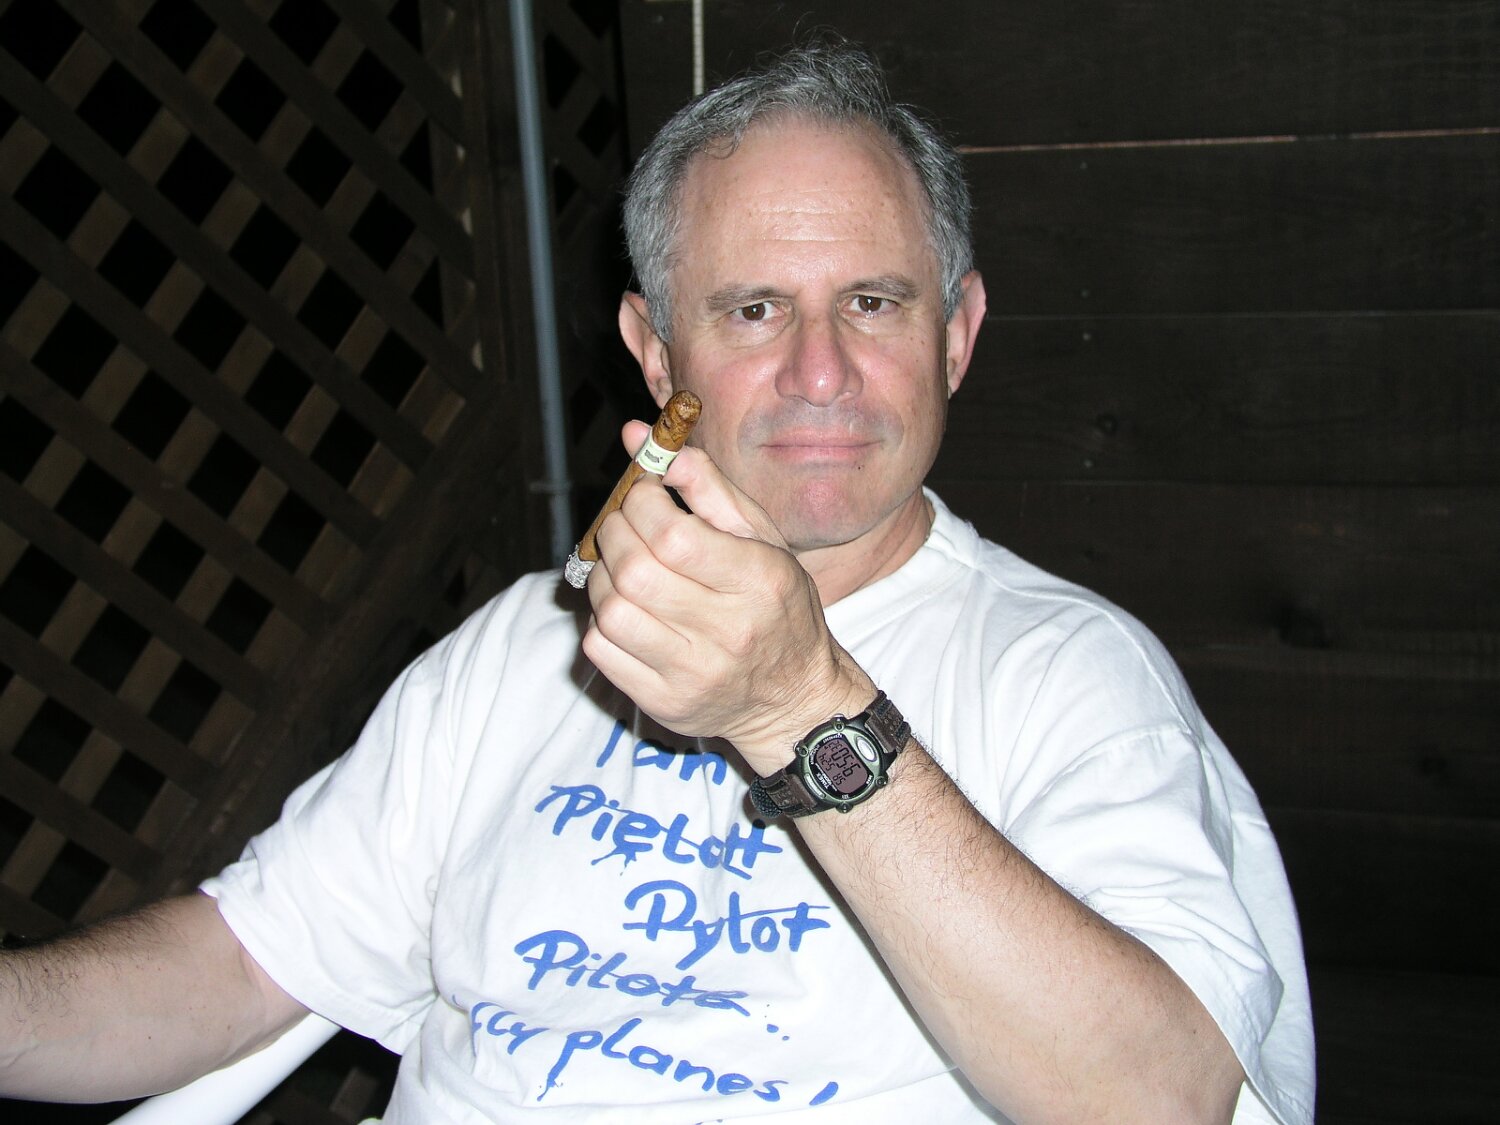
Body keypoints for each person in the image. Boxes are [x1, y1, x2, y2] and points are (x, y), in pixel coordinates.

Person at [1, 41, 1313, 1124]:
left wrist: (797, 701)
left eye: (872, 302)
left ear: (956, 334)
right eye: (753, 309)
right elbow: (246, 963)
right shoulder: (522, 646)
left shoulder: (1069, 675)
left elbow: (1162, 1102)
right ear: (654, 349)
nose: (819, 372)